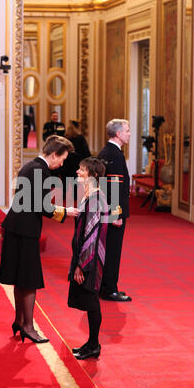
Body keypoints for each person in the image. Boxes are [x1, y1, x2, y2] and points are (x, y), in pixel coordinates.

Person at [0, 135, 78, 343]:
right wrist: (65, 211)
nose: (62, 163)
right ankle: (28, 326)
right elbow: (39, 205)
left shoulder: (31, 166)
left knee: (20, 279)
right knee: (29, 280)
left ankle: (19, 321)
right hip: (25, 230)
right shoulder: (40, 171)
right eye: (62, 159)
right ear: (54, 154)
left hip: (17, 227)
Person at [68, 157, 108, 360]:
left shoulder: (95, 199)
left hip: (90, 259)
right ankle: (92, 343)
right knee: (90, 300)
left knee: (92, 301)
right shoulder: (90, 196)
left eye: (82, 170)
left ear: (93, 175)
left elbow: (91, 236)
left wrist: (81, 266)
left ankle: (94, 345)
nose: (78, 172)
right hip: (87, 256)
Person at [98, 119, 132, 302]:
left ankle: (104, 285)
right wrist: (116, 214)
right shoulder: (116, 155)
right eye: (127, 130)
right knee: (112, 250)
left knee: (107, 249)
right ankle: (109, 289)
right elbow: (114, 188)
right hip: (113, 212)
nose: (129, 133)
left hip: (105, 209)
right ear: (118, 134)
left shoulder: (105, 152)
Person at [61, 120, 91, 200]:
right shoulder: (80, 138)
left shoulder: (64, 139)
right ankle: (76, 196)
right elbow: (86, 153)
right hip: (77, 164)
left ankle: (65, 195)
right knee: (77, 180)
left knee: (66, 180)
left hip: (66, 163)